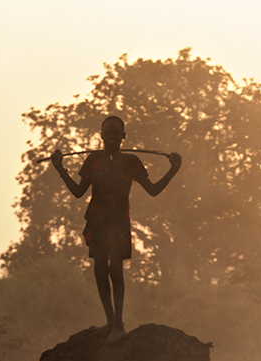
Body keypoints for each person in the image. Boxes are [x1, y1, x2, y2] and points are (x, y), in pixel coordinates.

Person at [52, 116, 182, 342]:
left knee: (116, 270)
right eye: (107, 133)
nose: (111, 136)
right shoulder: (93, 160)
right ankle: (110, 322)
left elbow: (152, 190)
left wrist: (173, 171)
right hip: (98, 220)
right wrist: (60, 168)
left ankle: (119, 325)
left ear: (124, 137)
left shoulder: (131, 161)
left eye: (116, 133)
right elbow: (78, 192)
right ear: (101, 136)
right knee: (99, 269)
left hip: (119, 221)